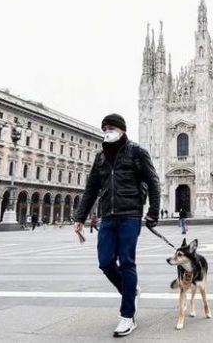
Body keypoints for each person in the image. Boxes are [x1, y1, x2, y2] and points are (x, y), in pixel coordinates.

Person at [72, 113, 160, 337]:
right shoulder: (100, 157)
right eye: (104, 129)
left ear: (122, 130)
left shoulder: (137, 152)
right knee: (105, 262)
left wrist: (153, 212)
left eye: (111, 127)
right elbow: (91, 189)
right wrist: (80, 217)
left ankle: (127, 315)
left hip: (130, 213)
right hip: (108, 215)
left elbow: (153, 181)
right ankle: (130, 291)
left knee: (127, 261)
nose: (107, 132)